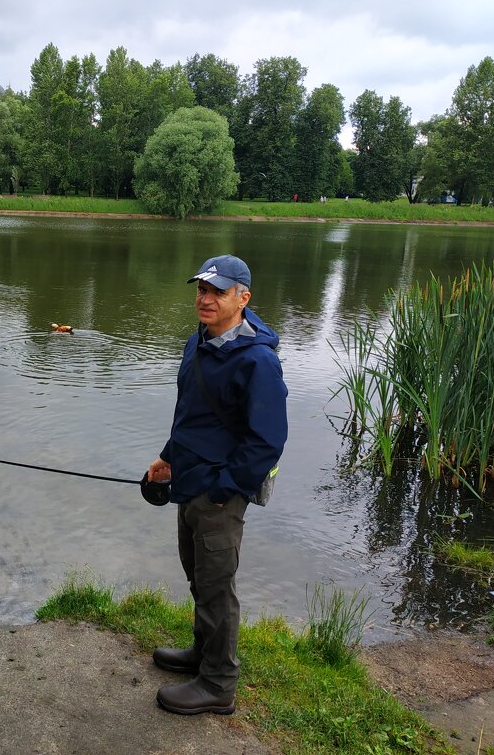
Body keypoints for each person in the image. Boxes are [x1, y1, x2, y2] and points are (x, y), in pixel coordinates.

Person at [147, 254, 288, 715]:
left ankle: (218, 683)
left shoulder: (258, 361)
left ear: (243, 298)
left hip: (219, 494)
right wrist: (168, 457)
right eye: (202, 290)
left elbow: (267, 442)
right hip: (190, 481)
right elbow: (191, 414)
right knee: (198, 575)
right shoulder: (199, 341)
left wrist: (226, 489)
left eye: (218, 292)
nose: (205, 299)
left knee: (216, 587)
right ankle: (201, 654)